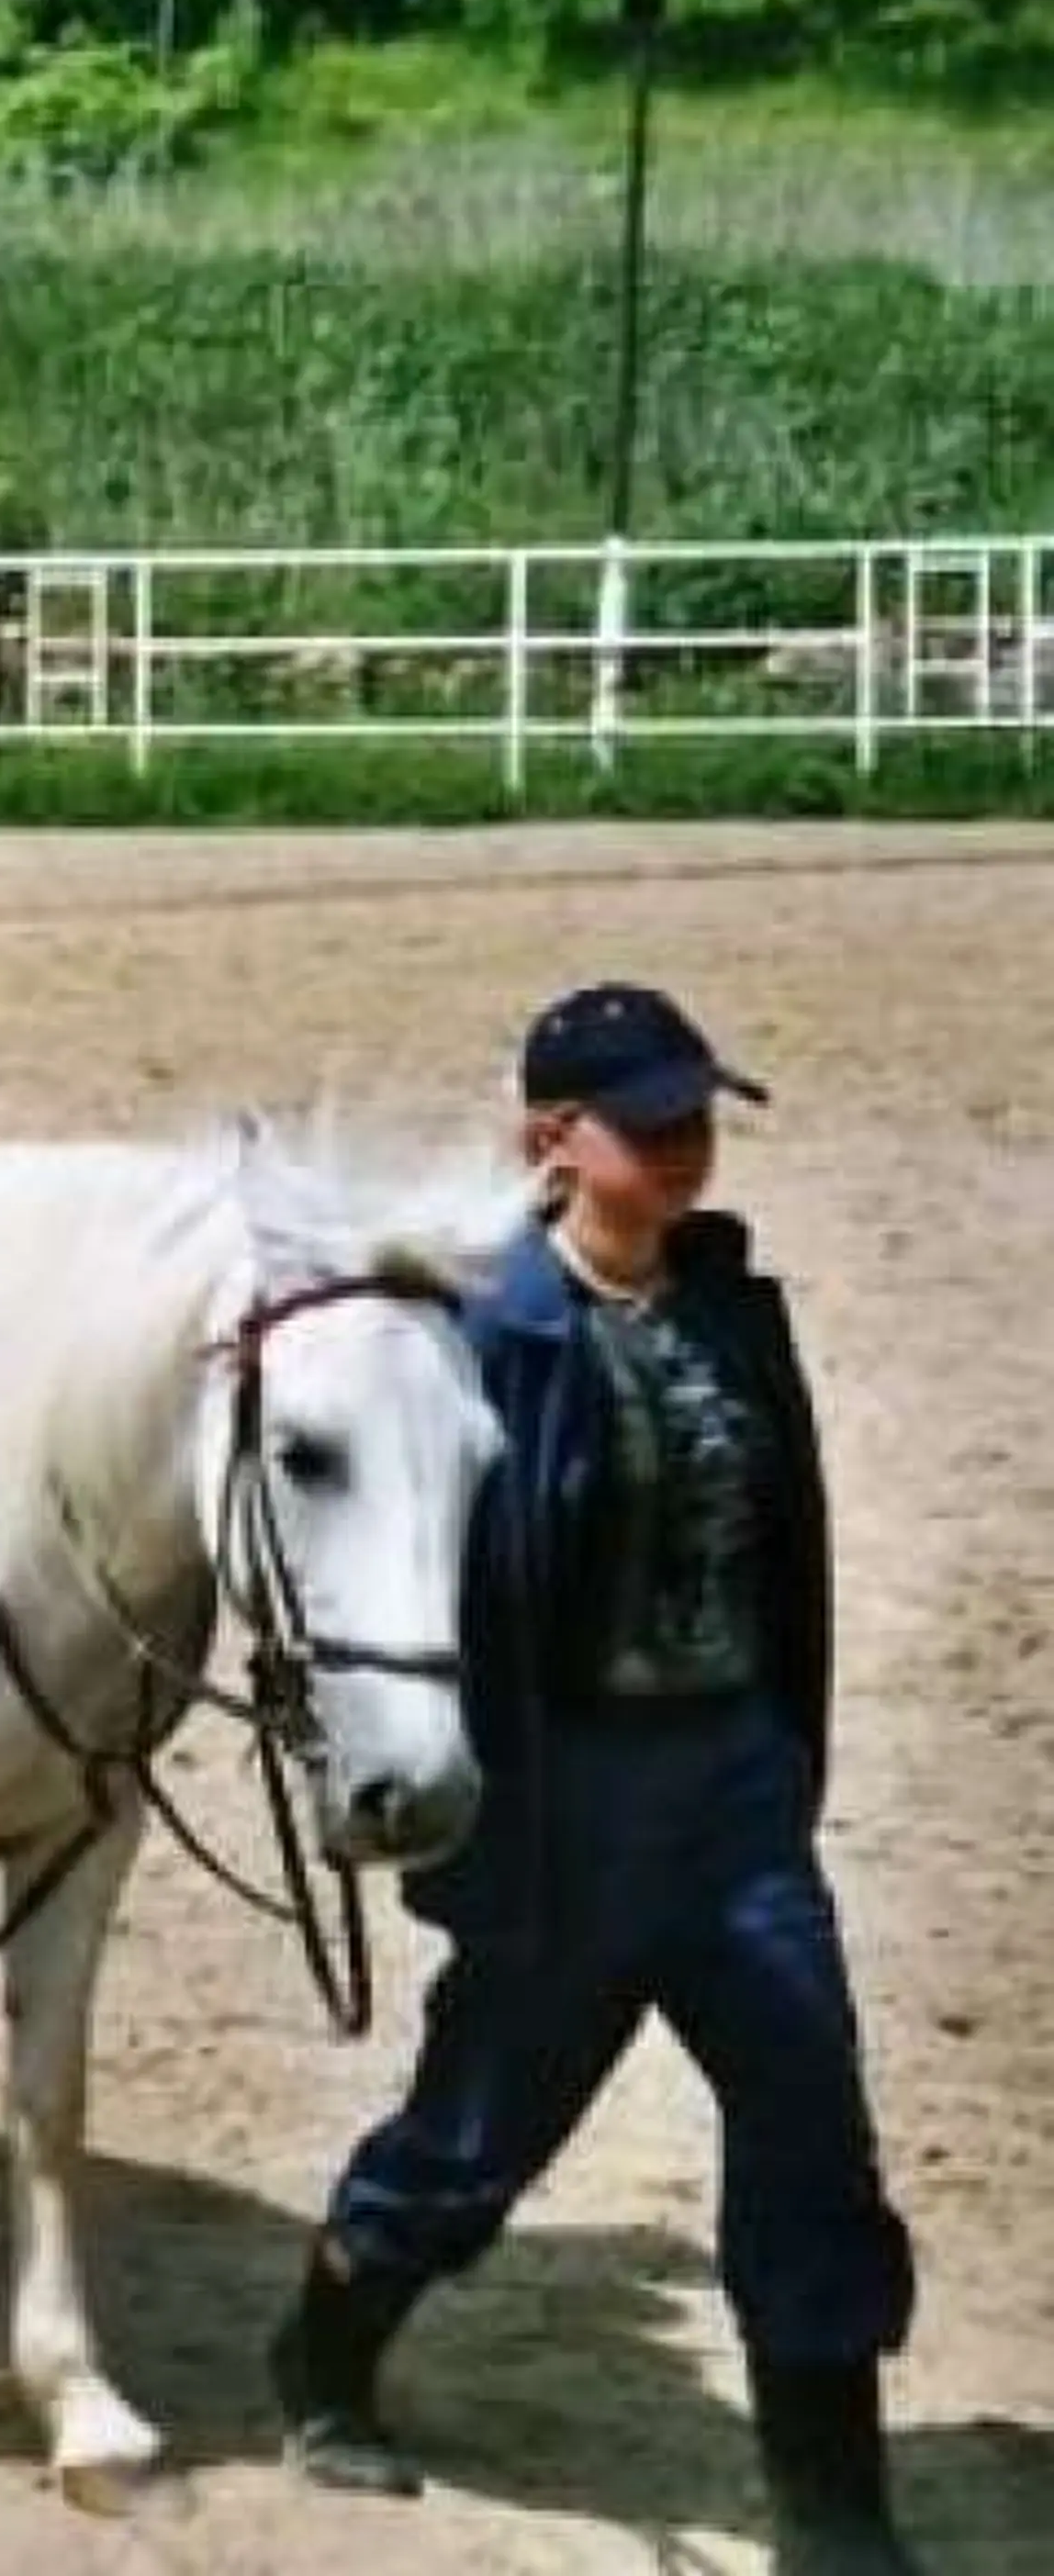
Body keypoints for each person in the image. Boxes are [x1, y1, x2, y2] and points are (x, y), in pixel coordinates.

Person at [271, 984, 921, 2576]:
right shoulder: (488, 1344)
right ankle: (325, 2357)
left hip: (735, 1793)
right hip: (569, 1809)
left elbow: (786, 1551)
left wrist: (780, 1750)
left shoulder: (724, 1306)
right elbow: (419, 1588)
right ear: (554, 1143)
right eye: (654, 1121)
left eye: (701, 1114)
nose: (691, 1145)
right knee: (477, 2134)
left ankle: (833, 2511)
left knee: (810, 2130)